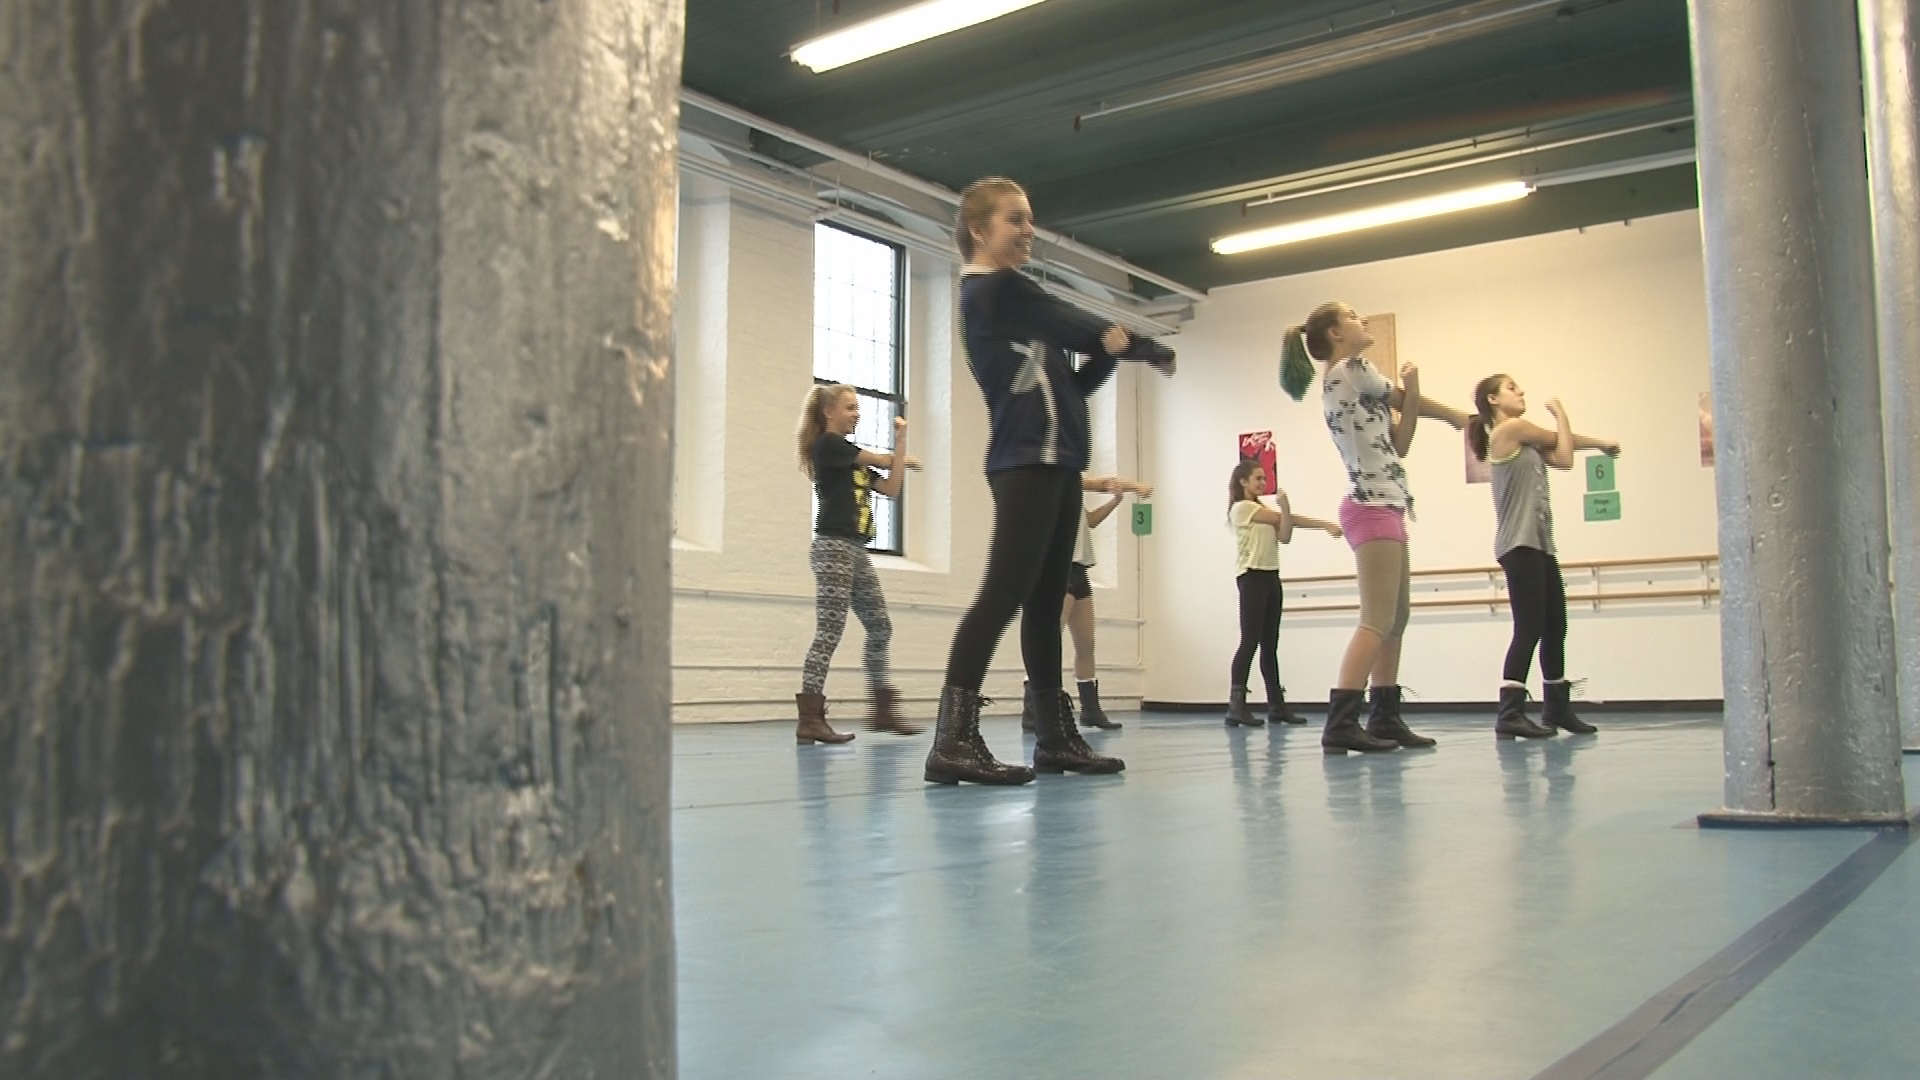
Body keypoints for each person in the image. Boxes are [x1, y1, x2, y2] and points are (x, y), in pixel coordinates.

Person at [926, 177, 1175, 786]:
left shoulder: (1018, 307)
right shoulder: (995, 290)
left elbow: (1071, 388)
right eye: (1015, 219)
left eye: (1030, 218)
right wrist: (1139, 345)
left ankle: (1056, 738)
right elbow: (1075, 320)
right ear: (980, 231)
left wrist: (1109, 354)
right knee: (1005, 592)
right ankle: (952, 738)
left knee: (1044, 603)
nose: (1028, 229)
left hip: (1058, 462)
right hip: (1024, 462)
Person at [1280, 301, 1468, 753]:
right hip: (1371, 507)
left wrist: (1416, 391)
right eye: (1351, 316)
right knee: (1376, 619)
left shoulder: (1350, 379)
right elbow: (1405, 402)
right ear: (1334, 335)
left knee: (1395, 618)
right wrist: (1455, 415)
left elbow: (1399, 443)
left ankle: (1385, 715)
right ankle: (1341, 721)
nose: (1361, 320)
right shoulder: (1350, 368)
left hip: (1388, 504)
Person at [1467, 374, 1621, 738]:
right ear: (1492, 399)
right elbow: (1565, 456)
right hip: (1518, 545)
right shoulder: (1510, 430)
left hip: (1539, 545)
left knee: (1555, 626)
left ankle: (1556, 709)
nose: (1521, 392)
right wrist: (1560, 413)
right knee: (1529, 628)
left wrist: (1599, 443)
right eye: (1511, 388)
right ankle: (1509, 713)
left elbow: (1558, 445)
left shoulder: (1525, 437)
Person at [793, 384, 922, 745]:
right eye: (850, 407)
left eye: (857, 408)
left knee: (880, 627)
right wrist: (897, 455)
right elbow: (881, 463)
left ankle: (882, 708)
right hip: (833, 547)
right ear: (829, 413)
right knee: (829, 631)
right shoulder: (830, 446)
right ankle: (810, 718)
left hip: (856, 550)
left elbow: (892, 488)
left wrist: (900, 446)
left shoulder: (854, 458)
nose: (856, 413)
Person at [1021, 475, 1151, 733]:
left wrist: (1115, 501)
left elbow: (1088, 521)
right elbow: (1102, 482)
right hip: (1055, 569)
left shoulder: (1070, 494)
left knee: (1086, 644)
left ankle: (1090, 709)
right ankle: (1033, 709)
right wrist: (1137, 487)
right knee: (1047, 642)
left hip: (1078, 570)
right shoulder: (1053, 482)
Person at [1224, 460, 1342, 727]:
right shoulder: (1242, 508)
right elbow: (1283, 519)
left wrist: (1286, 512)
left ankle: (1276, 705)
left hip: (1270, 576)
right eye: (1257, 478)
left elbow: (1286, 534)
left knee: (1270, 645)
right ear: (1243, 481)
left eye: (1264, 479)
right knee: (1249, 642)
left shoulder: (1261, 510)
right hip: (1251, 576)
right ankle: (1236, 705)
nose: (1263, 483)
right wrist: (1321, 523)